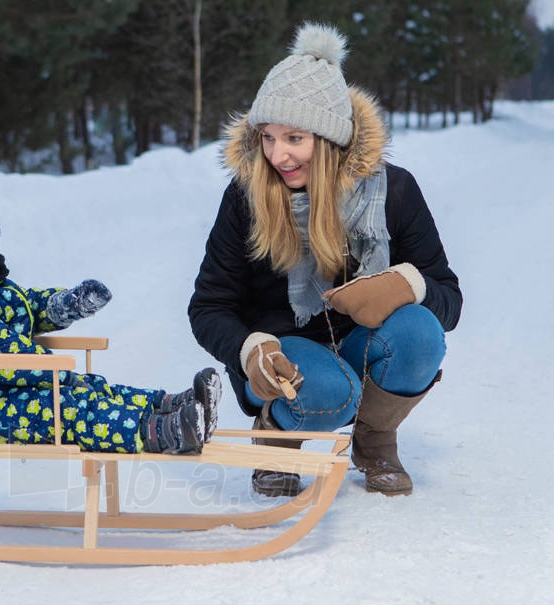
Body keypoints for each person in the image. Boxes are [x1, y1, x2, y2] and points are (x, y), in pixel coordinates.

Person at [188, 23, 462, 497]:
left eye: (294, 138)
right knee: (329, 392)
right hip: (283, 359)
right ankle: (278, 436)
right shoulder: (245, 197)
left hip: (359, 347)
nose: (278, 155)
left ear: (330, 138)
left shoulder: (394, 192)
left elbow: (448, 300)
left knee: (419, 334)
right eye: (268, 138)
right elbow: (208, 306)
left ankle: (375, 441)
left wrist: (406, 286)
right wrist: (249, 348)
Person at [0, 149, 221, 455]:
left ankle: (170, 405)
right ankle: (163, 431)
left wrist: (64, 304)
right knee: (69, 407)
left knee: (91, 388)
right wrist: (53, 370)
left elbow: (22, 307)